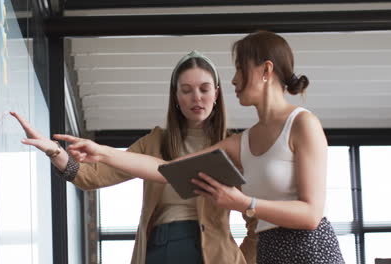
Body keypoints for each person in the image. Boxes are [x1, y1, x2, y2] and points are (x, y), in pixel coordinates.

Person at [57, 31, 345, 264]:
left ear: (265, 70)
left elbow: (310, 215)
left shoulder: (302, 123)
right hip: (268, 251)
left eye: (239, 69)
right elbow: (167, 170)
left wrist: (242, 208)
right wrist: (103, 151)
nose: (233, 79)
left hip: (307, 249)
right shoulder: (240, 143)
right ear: (176, 96)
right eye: (186, 90)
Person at [12, 50, 257, 264]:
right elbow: (93, 176)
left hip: (214, 252)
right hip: (163, 247)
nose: (197, 98)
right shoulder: (154, 143)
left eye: (204, 89)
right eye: (186, 90)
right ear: (175, 96)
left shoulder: (233, 148)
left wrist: (241, 260)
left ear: (216, 94)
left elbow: (256, 217)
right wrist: (55, 151)